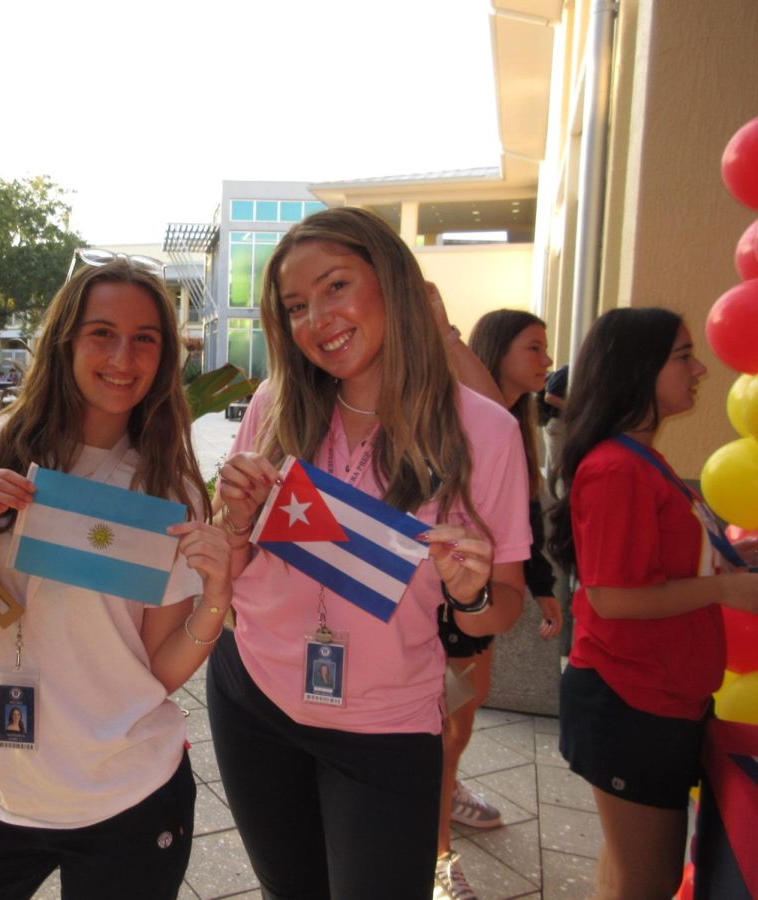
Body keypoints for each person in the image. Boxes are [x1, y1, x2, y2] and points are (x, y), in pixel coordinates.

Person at [209, 207, 531, 899]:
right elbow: (231, 572)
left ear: (391, 281)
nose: (317, 319)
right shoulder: (277, 403)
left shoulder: (486, 433)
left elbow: (496, 611)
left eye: (335, 287)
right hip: (254, 697)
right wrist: (231, 521)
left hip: (385, 728)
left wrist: (467, 591)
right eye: (296, 306)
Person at [0, 255, 233, 900]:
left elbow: (159, 671)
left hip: (130, 790)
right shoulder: (1, 450)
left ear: (165, 357)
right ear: (66, 342)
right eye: (102, 332)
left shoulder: (168, 486)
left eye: (146, 338)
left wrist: (215, 599)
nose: (123, 356)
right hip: (6, 791)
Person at [548, 307, 758, 900]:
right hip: (631, 700)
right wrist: (725, 588)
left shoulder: (639, 458)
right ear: (637, 368)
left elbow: (659, 566)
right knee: (648, 880)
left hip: (652, 697)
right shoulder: (617, 468)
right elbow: (614, 597)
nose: (700, 370)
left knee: (628, 873)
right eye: (684, 356)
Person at [419, 310, 564, 895]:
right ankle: (437, 859)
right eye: (533, 348)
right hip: (445, 598)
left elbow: (521, 521)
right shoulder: (470, 414)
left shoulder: (514, 423)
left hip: (482, 598)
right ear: (496, 351)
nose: (547, 363)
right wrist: (447, 334)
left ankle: (444, 801)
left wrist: (543, 585)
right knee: (442, 733)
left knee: (461, 720)